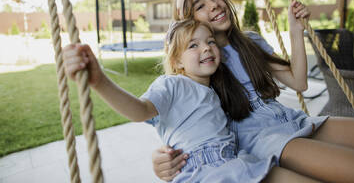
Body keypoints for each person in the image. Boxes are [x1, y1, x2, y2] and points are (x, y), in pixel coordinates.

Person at [151, 0, 354, 183]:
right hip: (261, 138)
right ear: (188, 21)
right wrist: (161, 156)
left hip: (290, 118)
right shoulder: (199, 65)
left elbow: (298, 82)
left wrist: (296, 30)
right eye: (200, 6)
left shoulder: (251, 42)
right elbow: (180, 120)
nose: (214, 4)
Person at [63, 19, 322, 182]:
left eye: (210, 42)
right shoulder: (172, 84)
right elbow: (139, 111)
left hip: (236, 162)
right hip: (203, 171)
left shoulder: (216, 92)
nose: (206, 48)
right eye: (193, 45)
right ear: (176, 62)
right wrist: (100, 81)